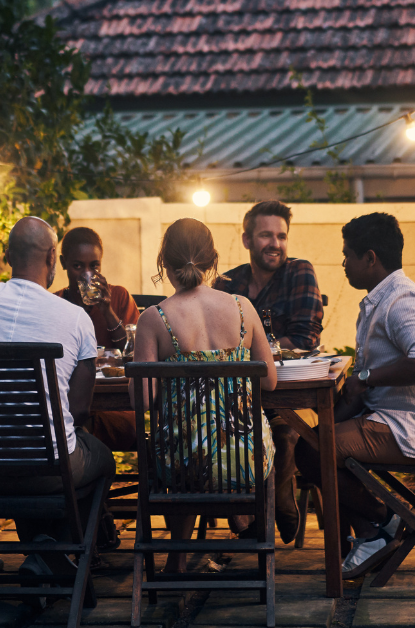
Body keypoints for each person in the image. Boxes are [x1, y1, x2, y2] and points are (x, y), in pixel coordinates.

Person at [294, 212, 415, 578]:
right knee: (310, 442)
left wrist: (366, 377)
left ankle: (380, 524)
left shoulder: (402, 301)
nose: (343, 263)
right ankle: (375, 529)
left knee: (314, 450)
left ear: (370, 258)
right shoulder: (381, 299)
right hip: (393, 419)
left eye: (348, 255)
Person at [0, 217, 115, 568]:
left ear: (6, 255)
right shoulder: (76, 317)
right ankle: (57, 548)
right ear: (52, 257)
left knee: (43, 447)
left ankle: (37, 547)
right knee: (101, 459)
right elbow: (79, 411)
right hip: (48, 469)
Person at [134, 217, 277, 572]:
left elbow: (142, 400)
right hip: (246, 459)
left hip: (181, 465)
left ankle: (176, 560)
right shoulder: (244, 308)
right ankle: (261, 553)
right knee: (223, 446)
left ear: (163, 263)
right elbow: (270, 382)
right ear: (214, 260)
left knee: (192, 442)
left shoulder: (154, 318)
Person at [212, 200, 324, 543]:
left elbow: (306, 337)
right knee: (224, 429)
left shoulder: (299, 271)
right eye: (265, 235)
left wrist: (248, 351)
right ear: (247, 239)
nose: (275, 243)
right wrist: (263, 349)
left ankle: (279, 504)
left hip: (290, 391)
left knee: (285, 428)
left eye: (281, 235)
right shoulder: (227, 283)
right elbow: (214, 343)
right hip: (239, 396)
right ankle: (254, 514)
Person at [55, 227, 140, 451]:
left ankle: (84, 473)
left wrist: (108, 311)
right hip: (69, 402)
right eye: (77, 266)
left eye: (94, 266)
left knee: (72, 428)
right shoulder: (55, 303)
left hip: (114, 405)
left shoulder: (119, 296)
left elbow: (136, 354)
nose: (86, 274)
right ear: (63, 263)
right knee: (68, 423)